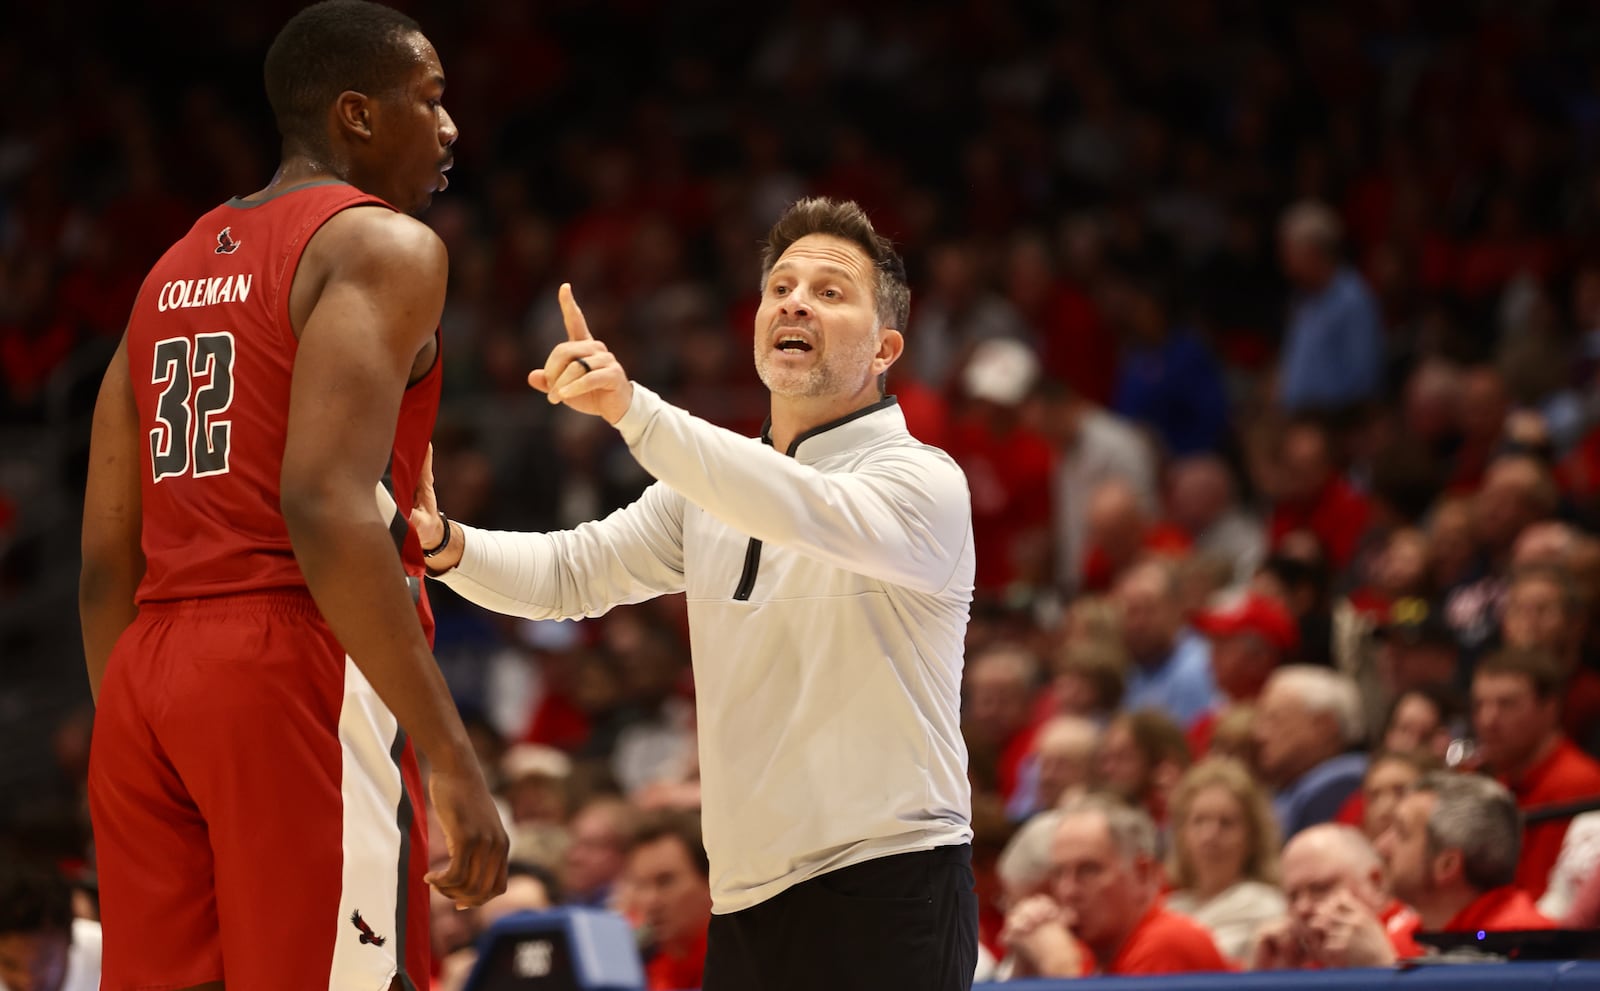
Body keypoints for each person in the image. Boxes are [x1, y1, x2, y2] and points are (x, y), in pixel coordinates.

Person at [414, 197, 978, 990]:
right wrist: (444, 544)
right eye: (780, 286)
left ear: (886, 347)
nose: (794, 301)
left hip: (887, 883)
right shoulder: (708, 487)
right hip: (745, 895)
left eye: (829, 290)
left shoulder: (923, 482)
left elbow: (798, 504)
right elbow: (572, 574)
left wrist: (632, 409)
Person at [77, 3, 508, 988]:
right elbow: (322, 500)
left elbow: (107, 558)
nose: (448, 128)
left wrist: (152, 736)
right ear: (357, 114)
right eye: (429, 100)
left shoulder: (166, 272)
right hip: (293, 652)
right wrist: (452, 755)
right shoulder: (381, 248)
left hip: (146, 674)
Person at [998, 794, 1230, 977]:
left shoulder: (1168, 942)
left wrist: (1058, 964)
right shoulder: (1092, 950)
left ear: (1143, 873)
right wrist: (1026, 966)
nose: (1068, 891)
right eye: (1059, 873)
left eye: (1089, 870)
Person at [1376, 772, 1556, 937]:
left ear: (1447, 865)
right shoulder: (1408, 934)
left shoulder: (1527, 948)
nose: (1381, 846)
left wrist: (1381, 963)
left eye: (1401, 832)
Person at [1163, 758, 1287, 962]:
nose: (1210, 835)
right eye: (1199, 821)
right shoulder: (1170, 909)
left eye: (1226, 823)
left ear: (1252, 837)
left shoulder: (1268, 908)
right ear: (1182, 833)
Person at [1249, 823, 1415, 970]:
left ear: (1376, 884)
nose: (1302, 908)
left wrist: (1381, 965)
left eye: (1320, 889)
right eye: (1293, 897)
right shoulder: (1293, 962)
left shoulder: (1419, 938)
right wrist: (1265, 980)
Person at [625, 811, 714, 991]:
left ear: (710, 881)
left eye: (665, 881)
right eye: (641, 885)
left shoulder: (745, 967)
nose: (650, 900)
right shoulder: (635, 971)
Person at [0, 856, 100, 991]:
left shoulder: (106, 958)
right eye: (9, 964)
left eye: (43, 962)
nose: (28, 983)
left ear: (70, 938)